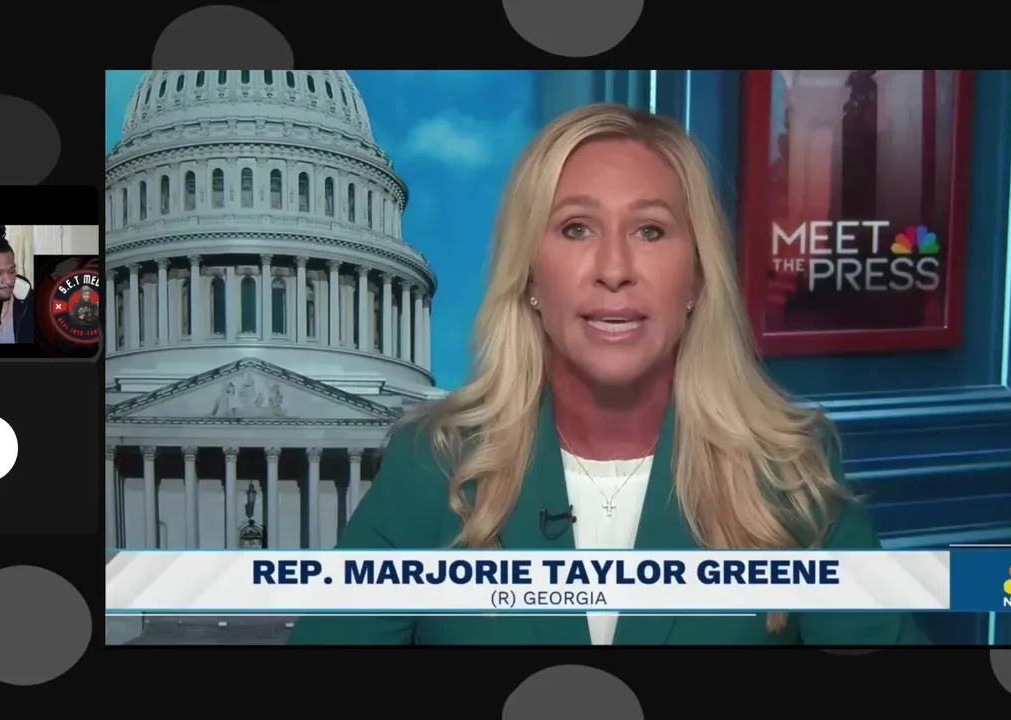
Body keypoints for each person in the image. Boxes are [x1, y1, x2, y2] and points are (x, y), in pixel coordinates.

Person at [289, 104, 926, 646]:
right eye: (576, 229)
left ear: (696, 278)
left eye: (650, 230)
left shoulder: (787, 469)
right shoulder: (432, 464)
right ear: (529, 276)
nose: (615, 269)